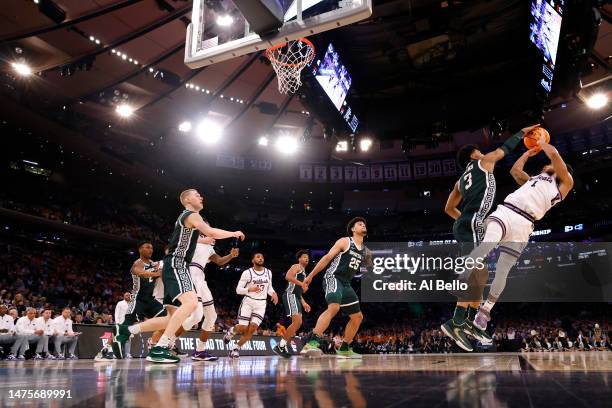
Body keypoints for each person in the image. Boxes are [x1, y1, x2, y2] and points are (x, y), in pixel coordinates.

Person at [458, 133, 574, 339]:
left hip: (525, 224)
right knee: (489, 242)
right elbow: (515, 170)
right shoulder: (533, 180)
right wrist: (528, 153)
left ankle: (485, 311)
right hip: (507, 211)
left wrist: (542, 143)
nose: (547, 164)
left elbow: (554, 154)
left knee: (503, 270)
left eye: (551, 164)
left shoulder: (565, 183)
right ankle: (466, 272)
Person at [112, 189, 244, 364]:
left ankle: (126, 331)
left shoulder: (188, 220)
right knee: (191, 303)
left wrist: (206, 240)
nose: (201, 197)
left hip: (175, 265)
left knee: (170, 318)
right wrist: (234, 233)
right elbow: (211, 232)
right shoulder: (191, 214)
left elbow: (205, 239)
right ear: (188, 200)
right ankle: (161, 347)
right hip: (177, 264)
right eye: (197, 195)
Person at [441, 125, 539, 351]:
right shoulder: (483, 163)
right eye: (478, 150)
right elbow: (505, 148)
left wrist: (464, 220)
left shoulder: (460, 180)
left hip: (466, 225)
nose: (482, 152)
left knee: (482, 272)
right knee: (476, 272)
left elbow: (448, 207)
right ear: (474, 154)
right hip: (471, 226)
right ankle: (455, 322)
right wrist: (522, 132)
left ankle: (471, 321)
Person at [301, 217, 369, 359]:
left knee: (357, 317)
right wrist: (311, 275)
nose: (363, 225)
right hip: (333, 277)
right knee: (334, 307)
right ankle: (311, 342)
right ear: (353, 229)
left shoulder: (366, 251)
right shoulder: (344, 241)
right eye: (359, 224)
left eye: (364, 224)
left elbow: (366, 269)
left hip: (346, 284)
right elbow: (327, 258)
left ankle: (344, 347)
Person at [185, 236, 239, 362]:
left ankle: (200, 351)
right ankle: (168, 342)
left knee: (211, 316)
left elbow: (219, 261)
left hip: (201, 277)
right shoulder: (191, 237)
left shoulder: (209, 247)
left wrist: (231, 255)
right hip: (190, 272)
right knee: (196, 316)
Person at [111, 243, 167, 359]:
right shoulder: (137, 263)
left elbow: (161, 267)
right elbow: (141, 273)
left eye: (151, 247)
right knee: (126, 325)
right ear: (140, 250)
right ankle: (108, 348)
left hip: (151, 300)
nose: (150, 249)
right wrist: (157, 273)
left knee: (167, 318)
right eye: (147, 247)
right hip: (138, 299)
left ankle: (154, 343)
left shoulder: (153, 263)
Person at [223, 253, 278, 359]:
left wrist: (274, 293)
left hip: (261, 303)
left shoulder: (268, 272)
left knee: (252, 328)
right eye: (258, 257)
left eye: (262, 257)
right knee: (243, 328)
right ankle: (231, 331)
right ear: (253, 260)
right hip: (248, 302)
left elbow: (269, 288)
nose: (261, 258)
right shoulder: (247, 273)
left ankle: (236, 348)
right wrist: (249, 289)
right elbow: (238, 290)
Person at [273, 250, 312, 358]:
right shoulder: (296, 266)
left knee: (298, 323)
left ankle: (281, 345)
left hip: (296, 296)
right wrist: (302, 284)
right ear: (299, 259)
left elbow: (299, 291)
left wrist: (304, 303)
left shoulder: (304, 273)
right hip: (290, 295)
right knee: (297, 321)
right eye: (304, 257)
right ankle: (280, 346)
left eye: (307, 257)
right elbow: (288, 276)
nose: (306, 258)